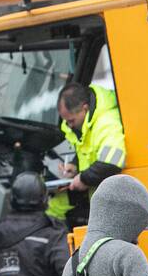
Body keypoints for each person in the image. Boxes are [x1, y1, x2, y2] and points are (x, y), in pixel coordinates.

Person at [48, 83, 127, 229]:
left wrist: (83, 178)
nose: (69, 126)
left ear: (85, 108)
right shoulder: (88, 121)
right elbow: (89, 150)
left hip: (116, 204)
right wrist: (74, 166)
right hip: (101, 200)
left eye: (71, 121)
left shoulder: (106, 123)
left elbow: (112, 162)